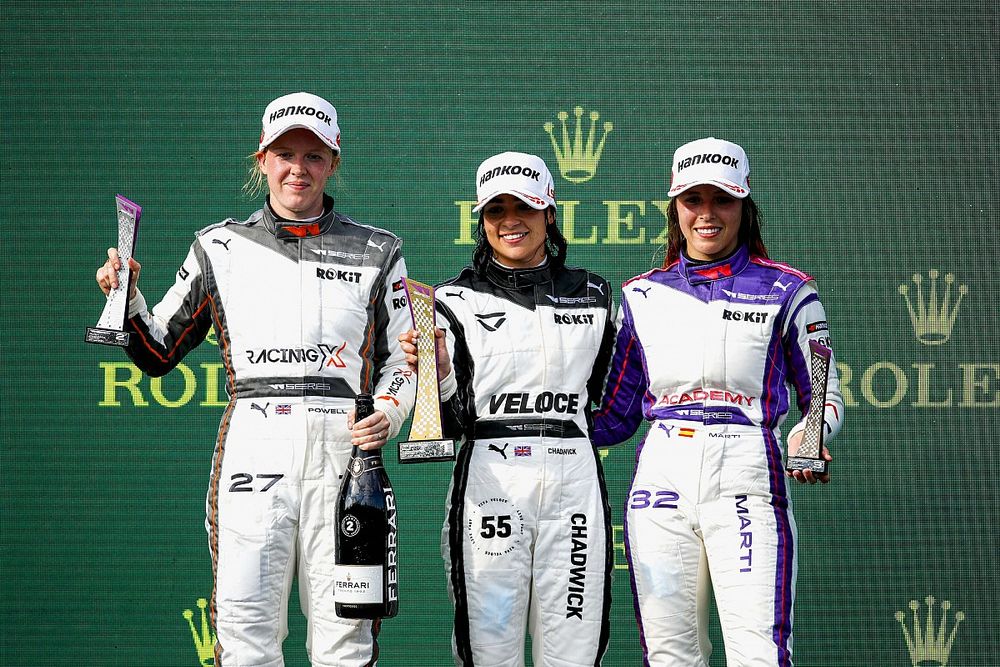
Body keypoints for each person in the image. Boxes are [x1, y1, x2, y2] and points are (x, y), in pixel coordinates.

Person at [95, 91, 415, 666]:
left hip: (344, 452)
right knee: (245, 635)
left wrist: (388, 411)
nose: (299, 169)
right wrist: (127, 296)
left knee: (347, 637)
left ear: (334, 162)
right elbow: (158, 350)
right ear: (261, 159)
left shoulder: (378, 249)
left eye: (314, 156)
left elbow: (403, 359)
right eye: (285, 154)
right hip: (254, 449)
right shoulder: (220, 246)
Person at [591, 137, 844, 666]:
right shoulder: (641, 294)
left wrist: (810, 432)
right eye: (693, 200)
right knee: (670, 654)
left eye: (721, 200)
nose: (706, 214)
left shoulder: (789, 289)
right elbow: (613, 417)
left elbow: (821, 393)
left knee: (759, 652)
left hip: (747, 470)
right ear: (675, 208)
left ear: (744, 206)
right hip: (661, 479)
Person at [398, 152, 616, 666]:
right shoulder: (451, 300)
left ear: (550, 213)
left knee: (576, 651)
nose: (510, 220)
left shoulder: (595, 293)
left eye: (524, 206)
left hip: (574, 482)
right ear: (481, 219)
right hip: (491, 481)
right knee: (490, 650)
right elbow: (446, 422)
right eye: (496, 210)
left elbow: (612, 403)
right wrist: (442, 371)